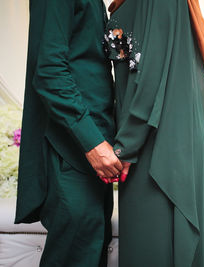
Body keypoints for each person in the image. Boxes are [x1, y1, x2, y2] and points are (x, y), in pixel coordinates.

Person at [105, 0, 204, 266]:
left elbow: (150, 79)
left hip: (156, 145)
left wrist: (125, 147)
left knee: (157, 246)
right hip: (145, 139)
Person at [14, 0, 123, 266]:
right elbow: (49, 71)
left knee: (92, 248)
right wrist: (93, 143)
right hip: (72, 148)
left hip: (91, 143)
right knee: (77, 253)